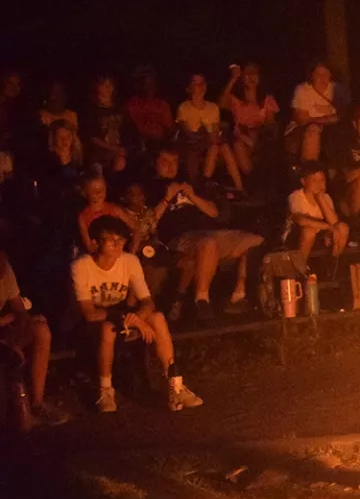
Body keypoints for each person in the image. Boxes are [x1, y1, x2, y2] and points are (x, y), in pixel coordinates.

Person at [72, 215, 201, 413]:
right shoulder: (81, 266)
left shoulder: (129, 261)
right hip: (93, 324)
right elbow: (89, 313)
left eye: (121, 240)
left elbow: (147, 301)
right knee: (108, 329)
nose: (118, 245)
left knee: (157, 317)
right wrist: (128, 319)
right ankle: (106, 390)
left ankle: (175, 386)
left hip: (124, 315)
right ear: (96, 242)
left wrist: (138, 317)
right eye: (111, 240)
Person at [148, 147, 263, 321]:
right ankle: (202, 299)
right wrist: (167, 197)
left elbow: (214, 213)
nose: (170, 167)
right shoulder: (152, 188)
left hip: (211, 233)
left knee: (255, 240)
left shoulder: (191, 184)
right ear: (155, 163)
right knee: (208, 243)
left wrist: (192, 196)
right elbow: (149, 221)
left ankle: (238, 294)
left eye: (173, 162)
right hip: (180, 238)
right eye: (165, 162)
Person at [0, 250, 66, 425]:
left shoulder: (5, 270)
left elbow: (18, 309)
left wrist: (25, 321)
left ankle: (37, 402)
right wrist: (10, 320)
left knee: (41, 330)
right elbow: (12, 315)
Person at [176, 73, 243, 191]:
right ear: (189, 88)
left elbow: (216, 131)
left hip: (210, 144)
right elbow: (187, 133)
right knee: (216, 145)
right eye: (196, 84)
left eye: (202, 83)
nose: (200, 86)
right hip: (193, 143)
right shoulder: (183, 108)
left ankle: (238, 187)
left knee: (220, 146)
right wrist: (207, 135)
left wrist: (214, 136)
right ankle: (206, 183)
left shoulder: (213, 108)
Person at [219, 62, 280, 182]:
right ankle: (253, 181)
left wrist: (254, 133)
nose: (251, 77)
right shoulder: (236, 100)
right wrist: (233, 79)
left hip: (259, 138)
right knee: (238, 144)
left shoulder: (267, 100)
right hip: (240, 138)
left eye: (254, 73)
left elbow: (270, 124)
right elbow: (221, 103)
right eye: (247, 73)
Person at [287, 163, 350, 274]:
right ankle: (298, 272)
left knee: (343, 228)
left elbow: (335, 222)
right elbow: (301, 220)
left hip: (321, 236)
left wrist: (320, 198)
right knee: (308, 231)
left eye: (322, 180)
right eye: (314, 180)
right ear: (303, 181)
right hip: (297, 236)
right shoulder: (296, 196)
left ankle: (333, 267)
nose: (319, 184)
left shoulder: (325, 197)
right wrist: (328, 227)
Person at [288, 61, 345, 163]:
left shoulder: (337, 89)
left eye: (325, 74)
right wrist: (327, 119)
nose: (322, 78)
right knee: (312, 131)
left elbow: (341, 116)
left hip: (330, 130)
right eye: (318, 74)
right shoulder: (302, 90)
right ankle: (310, 171)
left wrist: (313, 119)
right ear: (311, 76)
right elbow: (302, 120)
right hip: (302, 129)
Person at [76, 175, 138, 254]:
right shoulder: (83, 216)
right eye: (94, 190)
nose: (99, 192)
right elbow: (89, 246)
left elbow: (136, 228)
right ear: (85, 193)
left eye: (102, 189)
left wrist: (132, 251)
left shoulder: (114, 209)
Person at [82, 75, 130, 176]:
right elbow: (92, 137)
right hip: (98, 153)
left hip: (118, 151)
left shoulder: (120, 108)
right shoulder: (91, 110)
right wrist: (114, 148)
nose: (108, 88)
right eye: (104, 85)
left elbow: (128, 129)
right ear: (96, 87)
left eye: (110, 85)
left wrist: (122, 149)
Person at [125, 67, 173, 153]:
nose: (150, 87)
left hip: (160, 144)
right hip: (139, 145)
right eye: (146, 83)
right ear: (139, 84)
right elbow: (133, 128)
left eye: (152, 83)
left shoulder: (162, 104)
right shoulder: (133, 103)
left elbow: (169, 129)